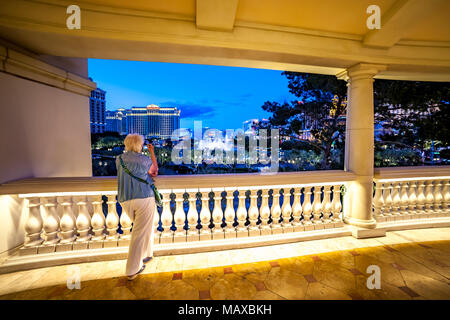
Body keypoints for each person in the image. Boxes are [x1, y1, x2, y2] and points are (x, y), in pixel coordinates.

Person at [116, 133, 158, 280]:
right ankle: (132, 269)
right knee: (139, 232)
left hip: (124, 199)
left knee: (144, 227)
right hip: (143, 197)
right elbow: (154, 172)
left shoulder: (119, 159)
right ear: (139, 145)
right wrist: (152, 152)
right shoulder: (144, 160)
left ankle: (146, 254)